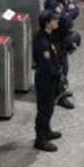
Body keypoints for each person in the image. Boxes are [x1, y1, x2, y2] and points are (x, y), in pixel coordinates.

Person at [44, 0, 81, 109]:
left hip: (64, 37)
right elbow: (64, 18)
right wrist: (68, 14)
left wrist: (67, 14)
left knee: (64, 66)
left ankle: (60, 91)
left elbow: (75, 11)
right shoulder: (51, 2)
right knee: (59, 67)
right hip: (55, 39)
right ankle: (58, 96)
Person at [33, 9, 63, 152]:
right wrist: (57, 74)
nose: (57, 21)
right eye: (54, 20)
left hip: (51, 78)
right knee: (44, 109)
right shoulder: (42, 42)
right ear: (47, 23)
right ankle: (40, 139)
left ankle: (47, 131)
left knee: (50, 107)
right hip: (45, 79)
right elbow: (46, 65)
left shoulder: (49, 36)